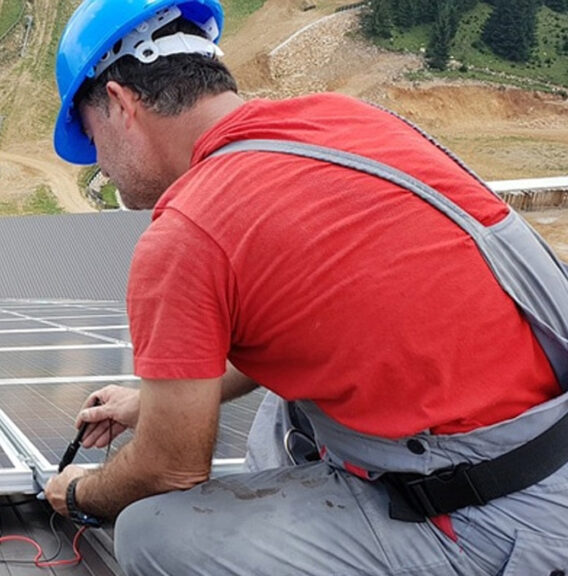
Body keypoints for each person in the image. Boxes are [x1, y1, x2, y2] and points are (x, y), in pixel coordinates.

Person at [42, 0, 568, 574]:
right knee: (284, 410)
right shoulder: (346, 121)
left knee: (150, 533)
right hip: (543, 438)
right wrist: (151, 403)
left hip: (497, 521)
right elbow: (305, 324)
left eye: (92, 141)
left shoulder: (186, 233)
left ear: (120, 104)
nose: (103, 167)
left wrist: (78, 493)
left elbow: (170, 470)